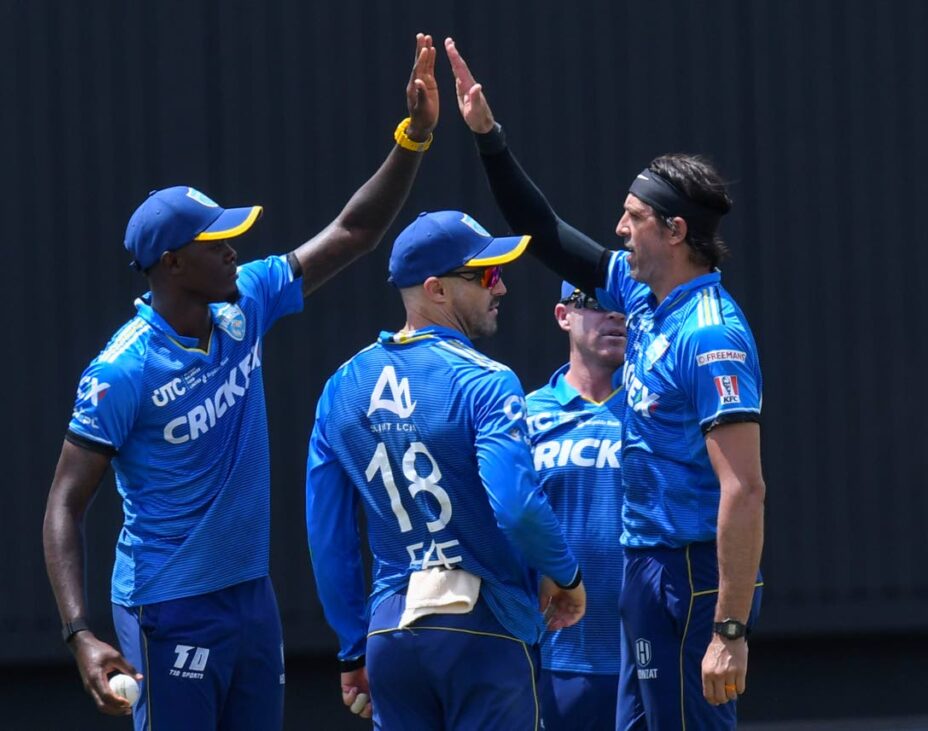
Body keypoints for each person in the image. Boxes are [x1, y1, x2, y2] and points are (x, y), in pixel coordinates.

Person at [42, 34, 439, 731]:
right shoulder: (121, 369)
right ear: (171, 264)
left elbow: (354, 232)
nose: (234, 250)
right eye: (216, 241)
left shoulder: (244, 302)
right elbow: (63, 506)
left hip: (250, 598)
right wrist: (80, 632)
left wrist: (413, 137)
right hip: (167, 604)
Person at [446, 38, 766, 730]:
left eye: (634, 217)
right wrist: (486, 136)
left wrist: (729, 628)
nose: (619, 230)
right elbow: (542, 232)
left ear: (675, 230)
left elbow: (745, 486)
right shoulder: (644, 294)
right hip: (642, 565)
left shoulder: (710, 334)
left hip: (688, 574)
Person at [305, 210, 586, 730]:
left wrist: (352, 647)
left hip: (390, 634)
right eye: (484, 275)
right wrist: (565, 574)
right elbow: (517, 506)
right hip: (485, 627)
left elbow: (329, 538)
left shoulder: (341, 386)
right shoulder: (486, 380)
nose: (499, 286)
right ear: (435, 290)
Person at [525, 283, 627, 731]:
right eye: (597, 305)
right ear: (563, 315)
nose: (615, 316)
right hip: (552, 656)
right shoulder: (524, 415)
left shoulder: (659, 409)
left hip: (646, 652)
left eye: (624, 306)